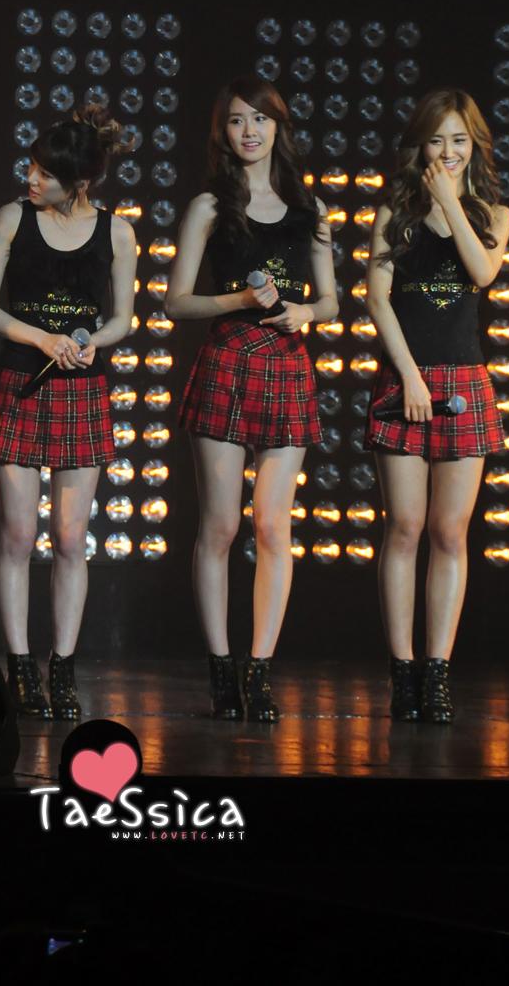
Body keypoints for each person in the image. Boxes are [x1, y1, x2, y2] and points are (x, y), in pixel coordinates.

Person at [166, 78, 337, 721]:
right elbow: (176, 301)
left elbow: (331, 299)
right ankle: (221, 667)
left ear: (278, 127)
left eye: (260, 120)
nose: (250, 132)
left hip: (286, 364)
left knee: (272, 524)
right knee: (221, 525)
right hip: (228, 360)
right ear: (224, 132)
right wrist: (239, 299)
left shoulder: (309, 208)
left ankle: (259, 670)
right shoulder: (210, 206)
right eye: (238, 121)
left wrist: (306, 313)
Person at [0, 106, 137, 720]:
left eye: (45, 173)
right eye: (32, 167)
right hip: (21, 381)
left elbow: (123, 318)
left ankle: (62, 667)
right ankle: (19, 666)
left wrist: (95, 341)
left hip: (82, 389)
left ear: (80, 182)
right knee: (17, 534)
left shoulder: (116, 232)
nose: (32, 179)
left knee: (70, 537)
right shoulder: (12, 219)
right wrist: (42, 338)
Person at [365, 88, 509, 722]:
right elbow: (377, 299)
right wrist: (409, 378)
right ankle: (402, 672)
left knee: (451, 532)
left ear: (474, 144)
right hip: (406, 378)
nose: (448, 151)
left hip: (466, 381)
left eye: (459, 140)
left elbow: (482, 273)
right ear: (419, 145)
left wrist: (452, 201)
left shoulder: (496, 215)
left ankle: (437, 673)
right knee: (404, 527)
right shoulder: (393, 214)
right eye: (436, 140)